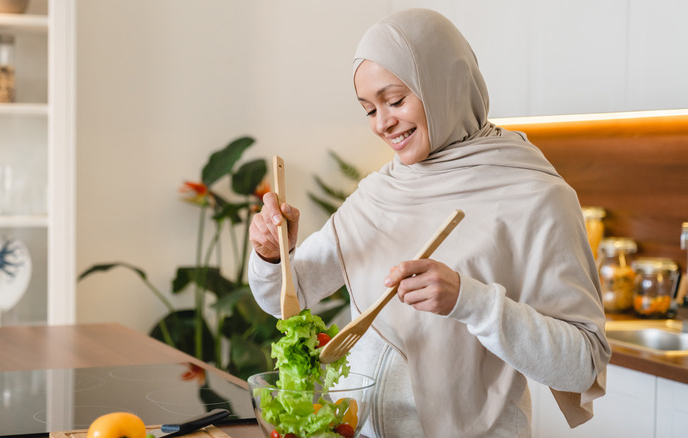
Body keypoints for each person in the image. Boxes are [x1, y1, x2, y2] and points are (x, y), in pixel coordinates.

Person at [248, 8, 610, 437]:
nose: (382, 123)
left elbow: (582, 364)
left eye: (396, 100)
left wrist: (470, 301)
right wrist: (273, 256)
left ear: (444, 85)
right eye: (368, 109)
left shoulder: (535, 197)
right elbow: (285, 299)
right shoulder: (378, 193)